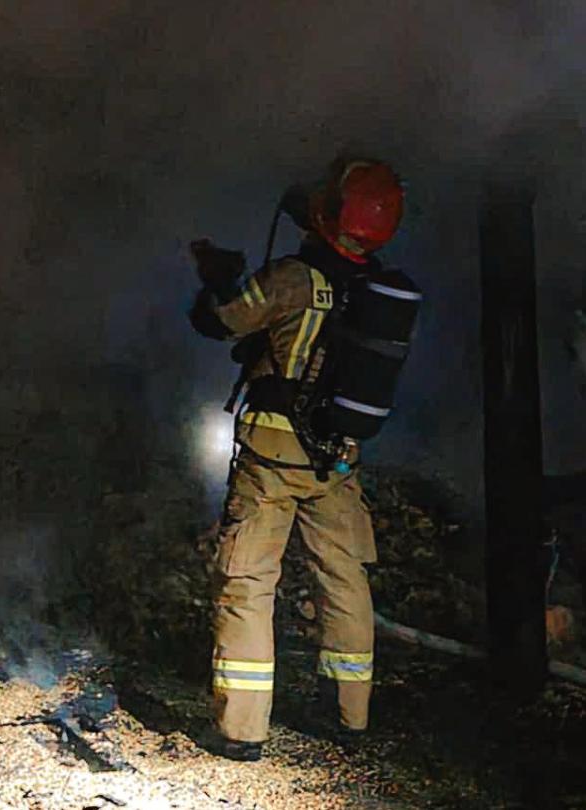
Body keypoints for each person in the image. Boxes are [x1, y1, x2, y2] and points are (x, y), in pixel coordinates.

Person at [186, 157, 411, 761]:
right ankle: (350, 715)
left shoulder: (293, 277)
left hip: (273, 454)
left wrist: (218, 278)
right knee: (344, 578)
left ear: (331, 214)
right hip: (338, 458)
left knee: (249, 582)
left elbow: (220, 321)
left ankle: (241, 730)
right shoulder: (377, 291)